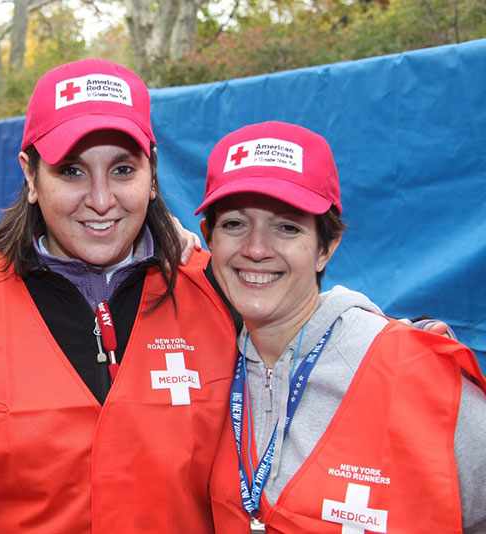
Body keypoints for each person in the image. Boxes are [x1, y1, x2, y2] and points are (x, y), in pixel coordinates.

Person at [0, 58, 238, 532]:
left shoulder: (218, 295)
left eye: (123, 170)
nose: (101, 200)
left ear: (153, 173)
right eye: (72, 172)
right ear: (31, 176)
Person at [196, 121, 486, 533]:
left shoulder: (419, 374)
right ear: (209, 239)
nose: (256, 250)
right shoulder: (203, 368)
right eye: (234, 225)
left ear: (325, 248)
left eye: (287, 227)